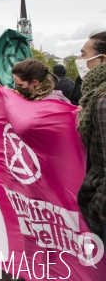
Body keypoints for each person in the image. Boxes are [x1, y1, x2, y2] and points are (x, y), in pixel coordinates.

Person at [75, 31, 106, 241]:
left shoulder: (103, 102)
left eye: (84, 55)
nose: (80, 61)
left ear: (102, 59)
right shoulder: (96, 95)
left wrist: (100, 205)